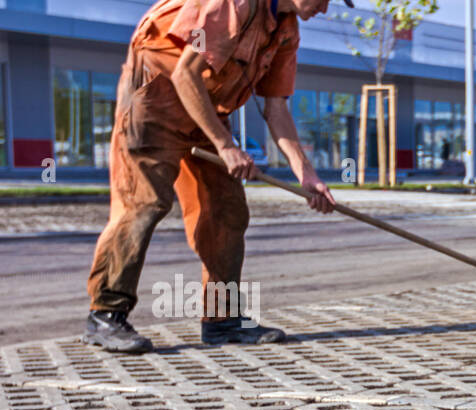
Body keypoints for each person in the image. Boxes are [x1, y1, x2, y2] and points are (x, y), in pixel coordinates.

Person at [84, 0, 345, 354]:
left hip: (204, 109)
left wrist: (307, 174)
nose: (325, 9)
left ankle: (222, 321)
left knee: (227, 209)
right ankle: (106, 315)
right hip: (154, 99)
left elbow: (277, 107)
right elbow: (184, 74)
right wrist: (226, 146)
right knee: (144, 203)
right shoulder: (233, 4)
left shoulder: (285, 31)